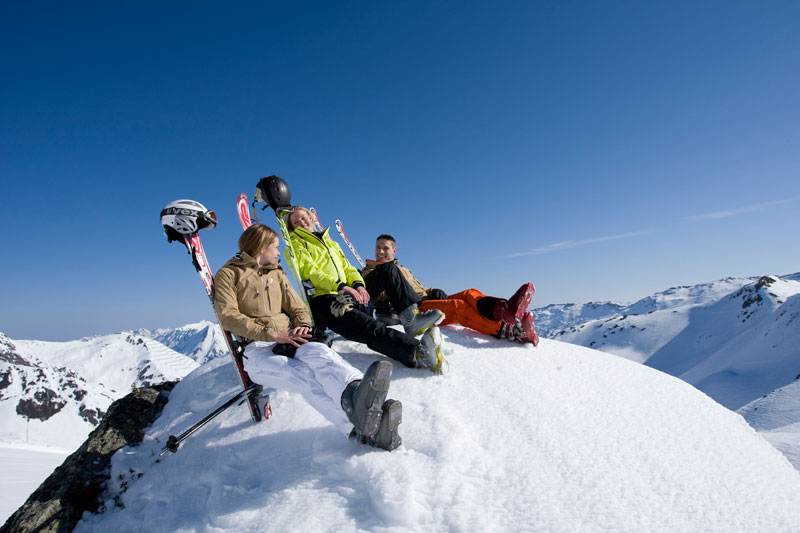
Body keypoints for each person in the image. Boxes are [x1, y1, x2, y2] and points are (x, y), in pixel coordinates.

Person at [213, 223, 402, 450]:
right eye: (274, 246)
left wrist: (302, 325)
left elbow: (298, 307)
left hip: (290, 338)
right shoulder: (229, 274)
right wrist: (272, 334)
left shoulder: (277, 274)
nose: (277, 251)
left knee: (323, 354)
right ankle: (360, 431)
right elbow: (228, 316)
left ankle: (360, 394)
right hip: (256, 348)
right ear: (261, 247)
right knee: (303, 376)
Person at [285, 206, 447, 374]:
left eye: (304, 218)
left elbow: (348, 268)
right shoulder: (295, 246)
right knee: (368, 326)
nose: (302, 223)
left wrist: (358, 285)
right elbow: (311, 272)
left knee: (388, 269)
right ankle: (416, 353)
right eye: (296, 222)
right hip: (326, 299)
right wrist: (342, 287)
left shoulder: (330, 243)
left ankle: (410, 319)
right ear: (293, 228)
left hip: (348, 292)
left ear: (311, 218)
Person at [362, 234, 539, 345]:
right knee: (457, 307)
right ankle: (510, 332)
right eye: (378, 248)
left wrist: (431, 290)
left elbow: (419, 288)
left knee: (469, 293)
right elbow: (377, 294)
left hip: (425, 299)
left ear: (394, 250)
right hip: (413, 308)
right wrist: (374, 270)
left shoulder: (403, 269)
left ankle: (504, 310)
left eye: (385, 248)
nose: (380, 252)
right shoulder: (373, 271)